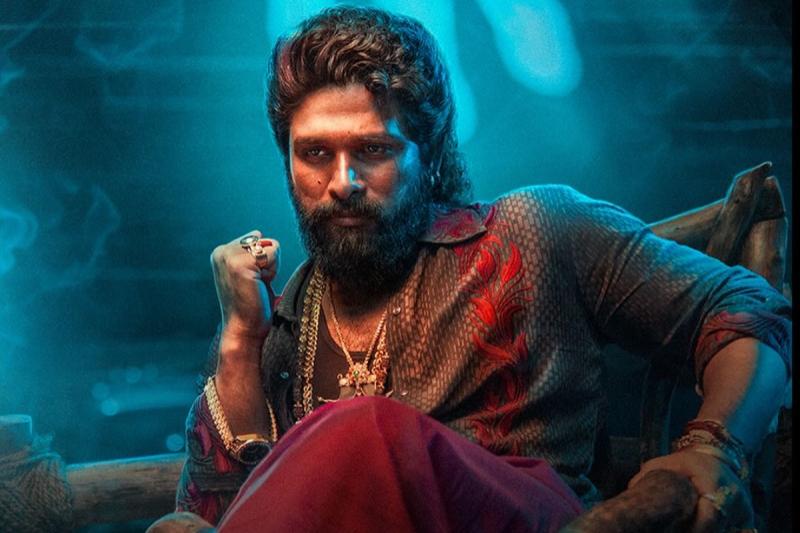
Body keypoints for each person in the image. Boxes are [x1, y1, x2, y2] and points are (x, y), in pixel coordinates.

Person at [150, 6, 791, 533]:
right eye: (314, 153)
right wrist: (241, 338)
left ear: (427, 156)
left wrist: (715, 447)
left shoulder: (535, 228)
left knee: (360, 427)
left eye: (373, 149)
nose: (342, 181)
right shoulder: (288, 320)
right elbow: (214, 516)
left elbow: (748, 308)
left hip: (532, 517)